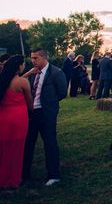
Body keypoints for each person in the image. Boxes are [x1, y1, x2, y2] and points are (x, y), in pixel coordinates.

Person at [22, 49, 67, 186]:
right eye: (32, 58)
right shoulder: (32, 73)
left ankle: (54, 174)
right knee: (28, 143)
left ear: (43, 58)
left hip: (46, 113)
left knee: (50, 142)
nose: (32, 61)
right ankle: (24, 173)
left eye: (35, 58)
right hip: (32, 113)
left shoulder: (56, 73)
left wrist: (49, 103)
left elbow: (62, 93)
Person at [0, 55, 32, 189]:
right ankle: (13, 179)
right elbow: (30, 102)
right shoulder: (22, 82)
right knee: (17, 149)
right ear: (19, 66)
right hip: (18, 119)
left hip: (3, 118)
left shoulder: (2, 80)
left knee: (3, 149)